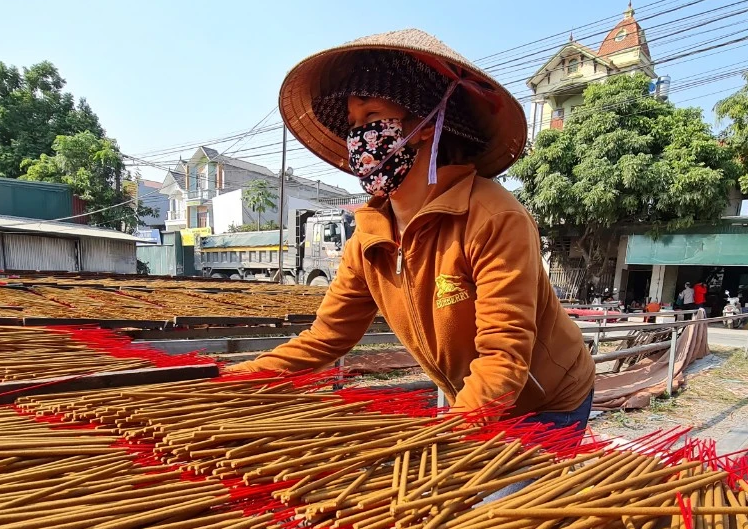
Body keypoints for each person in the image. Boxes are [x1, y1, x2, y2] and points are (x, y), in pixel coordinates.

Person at [226, 30, 595, 437]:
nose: (357, 139)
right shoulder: (369, 237)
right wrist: (233, 377)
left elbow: (503, 356)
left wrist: (440, 439)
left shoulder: (494, 217)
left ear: (423, 123)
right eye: (352, 125)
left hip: (546, 400)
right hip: (470, 398)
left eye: (370, 119)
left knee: (503, 499)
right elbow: (326, 337)